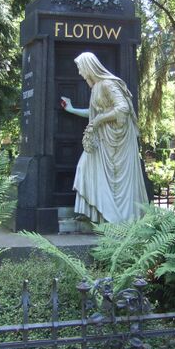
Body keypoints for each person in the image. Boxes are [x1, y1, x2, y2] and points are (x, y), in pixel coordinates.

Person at [61, 52, 148, 223]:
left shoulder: (108, 83)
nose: (79, 72)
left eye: (80, 68)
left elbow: (123, 108)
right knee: (85, 167)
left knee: (115, 179)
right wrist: (72, 109)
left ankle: (118, 217)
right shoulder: (96, 87)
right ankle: (94, 213)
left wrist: (99, 120)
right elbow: (94, 113)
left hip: (118, 138)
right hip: (103, 136)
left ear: (88, 67)